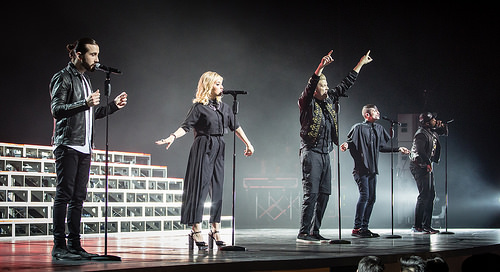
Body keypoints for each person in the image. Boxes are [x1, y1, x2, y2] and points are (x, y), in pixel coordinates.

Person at [156, 71, 254, 250]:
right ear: (208, 86)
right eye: (217, 83)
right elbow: (186, 127)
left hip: (219, 146)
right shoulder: (199, 107)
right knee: (200, 188)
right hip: (203, 146)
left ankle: (215, 229)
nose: (221, 87)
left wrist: (248, 143)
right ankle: (196, 228)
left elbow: (236, 126)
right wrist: (172, 137)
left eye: (221, 83)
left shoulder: (225, 108)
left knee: (217, 189)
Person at [50, 37, 128, 260]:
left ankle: (74, 245)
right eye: (93, 54)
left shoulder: (84, 80)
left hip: (85, 146)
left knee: (79, 197)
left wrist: (112, 106)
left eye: (97, 54)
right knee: (64, 195)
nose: (97, 59)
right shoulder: (63, 77)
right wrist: (84, 103)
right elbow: (57, 110)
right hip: (67, 144)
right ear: (78, 55)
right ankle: (59, 246)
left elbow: (90, 115)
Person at [296, 50, 373, 243]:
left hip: (325, 153)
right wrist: (320, 66)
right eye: (322, 85)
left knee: (324, 194)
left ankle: (315, 230)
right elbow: (311, 83)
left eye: (326, 85)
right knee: (311, 194)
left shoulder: (329, 100)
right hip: (310, 152)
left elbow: (347, 83)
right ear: (315, 89)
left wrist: (361, 63)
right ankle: (303, 232)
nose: (326, 88)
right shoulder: (306, 102)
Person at [340, 104, 410, 238]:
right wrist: (346, 145)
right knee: (365, 196)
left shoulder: (378, 128)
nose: (378, 112)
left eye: (378, 110)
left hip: (372, 170)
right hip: (361, 169)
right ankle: (357, 227)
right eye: (374, 111)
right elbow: (351, 142)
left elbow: (382, 148)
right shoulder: (358, 128)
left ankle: (364, 227)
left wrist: (398, 149)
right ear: (367, 115)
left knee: (372, 198)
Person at [409, 112, 448, 234]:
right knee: (424, 195)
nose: (435, 120)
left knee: (431, 195)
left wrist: (443, 126)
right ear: (426, 122)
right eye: (433, 119)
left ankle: (426, 225)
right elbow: (420, 151)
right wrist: (427, 163)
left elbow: (445, 133)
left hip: (426, 165)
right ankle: (417, 225)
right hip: (419, 166)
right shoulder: (421, 134)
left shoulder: (432, 131)